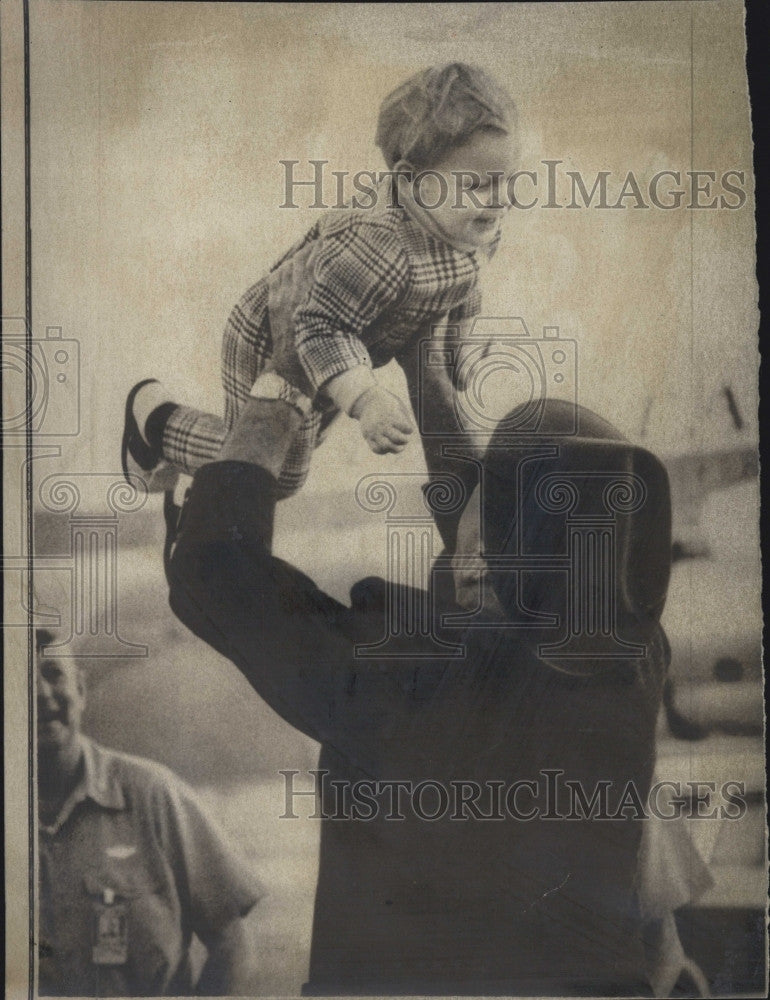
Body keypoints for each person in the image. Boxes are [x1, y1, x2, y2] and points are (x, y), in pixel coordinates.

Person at [162, 376, 681, 996]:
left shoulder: (416, 680)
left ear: (493, 553)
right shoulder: (634, 657)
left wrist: (290, 384)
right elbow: (504, 558)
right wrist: (424, 365)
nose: (470, 542)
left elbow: (214, 566)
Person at [121, 62, 519, 503]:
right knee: (278, 475)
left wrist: (458, 348)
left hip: (349, 341)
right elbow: (318, 327)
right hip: (275, 336)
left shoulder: (468, 223)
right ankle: (156, 421)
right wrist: (367, 399)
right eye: (478, 185)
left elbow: (465, 284)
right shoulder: (381, 245)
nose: (500, 200)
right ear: (410, 182)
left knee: (296, 454)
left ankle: (190, 460)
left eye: (507, 180)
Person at [36, 630, 265, 996]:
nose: (41, 693)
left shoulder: (154, 797)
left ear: (80, 688)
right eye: (21, 678)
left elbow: (232, 945)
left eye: (53, 673)